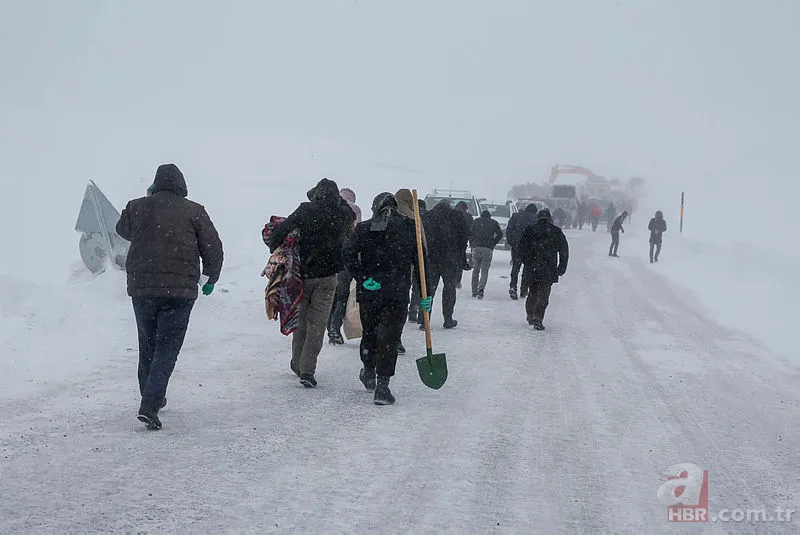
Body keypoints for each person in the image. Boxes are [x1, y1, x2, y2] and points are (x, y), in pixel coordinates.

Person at [116, 163, 224, 430]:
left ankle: (150, 395)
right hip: (179, 292)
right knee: (167, 348)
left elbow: (122, 230)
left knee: (148, 344)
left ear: (155, 184)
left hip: (143, 288)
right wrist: (211, 277)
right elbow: (213, 247)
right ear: (182, 186)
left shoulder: (137, 206)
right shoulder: (194, 211)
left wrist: (147, 200)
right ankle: (151, 403)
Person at [267, 178, 356, 388]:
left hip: (303, 275)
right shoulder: (343, 214)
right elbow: (351, 224)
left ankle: (298, 364)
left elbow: (280, 231)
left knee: (302, 322)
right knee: (318, 326)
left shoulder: (306, 210)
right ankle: (308, 370)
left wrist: (275, 249)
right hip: (329, 278)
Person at [343, 193, 428, 405]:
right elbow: (422, 264)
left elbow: (348, 254)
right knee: (389, 337)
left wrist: (363, 278)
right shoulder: (410, 228)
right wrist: (426, 295)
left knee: (370, 332)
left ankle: (369, 370)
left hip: (371, 292)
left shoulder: (364, 229)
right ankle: (382, 385)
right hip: (396, 293)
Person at [518, 209, 568, 331]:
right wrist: (561, 267)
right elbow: (564, 251)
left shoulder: (529, 230)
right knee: (544, 295)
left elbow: (521, 248)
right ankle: (538, 317)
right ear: (550, 219)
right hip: (548, 269)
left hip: (532, 267)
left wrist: (526, 261)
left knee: (533, 292)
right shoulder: (556, 232)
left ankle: (530, 314)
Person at [422, 200, 469, 329]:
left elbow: (421, 236)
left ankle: (425, 319)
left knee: (429, 289)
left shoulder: (427, 216)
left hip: (431, 257)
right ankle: (448, 318)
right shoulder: (457, 216)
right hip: (450, 258)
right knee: (449, 287)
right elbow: (464, 237)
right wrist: (460, 252)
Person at [327, 188, 362, 345]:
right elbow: (357, 233)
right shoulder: (355, 210)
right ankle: (334, 328)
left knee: (331, 296)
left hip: (328, 258)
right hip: (346, 260)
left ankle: (329, 327)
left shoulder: (329, 207)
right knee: (342, 296)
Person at [505, 203, 538, 300]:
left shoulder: (516, 216)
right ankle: (524, 289)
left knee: (515, 267)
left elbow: (509, 230)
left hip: (517, 245)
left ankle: (513, 286)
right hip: (530, 247)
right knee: (527, 269)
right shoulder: (535, 219)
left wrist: (511, 241)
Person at [469, 210, 504, 299]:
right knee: (484, 270)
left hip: (476, 248)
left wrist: (472, 243)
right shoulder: (493, 223)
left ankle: (474, 290)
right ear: (489, 216)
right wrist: (493, 243)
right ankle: (481, 289)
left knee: (475, 269)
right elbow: (500, 234)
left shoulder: (475, 222)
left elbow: (470, 233)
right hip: (488, 248)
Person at [407, 198, 428, 324]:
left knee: (407, 284)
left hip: (408, 257)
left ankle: (411, 310)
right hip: (420, 257)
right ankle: (418, 311)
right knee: (418, 286)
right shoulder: (425, 218)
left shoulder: (408, 216)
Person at [454, 201, 473, 289]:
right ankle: (457, 281)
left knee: (452, 261)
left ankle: (452, 278)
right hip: (462, 242)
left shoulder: (452, 214)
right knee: (460, 262)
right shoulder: (468, 217)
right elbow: (470, 230)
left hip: (451, 241)